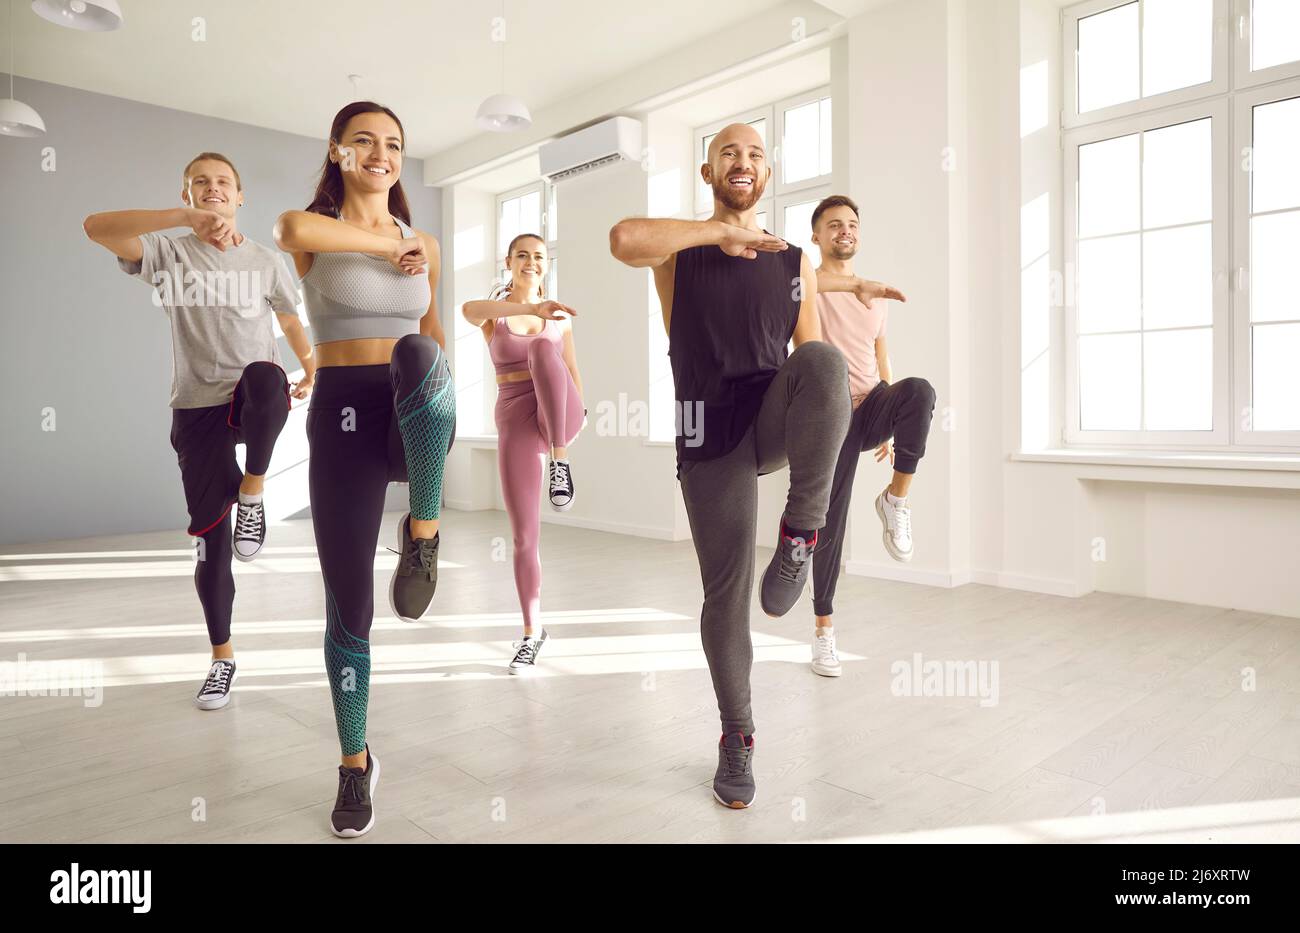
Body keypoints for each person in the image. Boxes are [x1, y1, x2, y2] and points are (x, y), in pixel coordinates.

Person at [609, 123, 851, 808]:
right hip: (705, 427)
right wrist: (716, 234)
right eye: (729, 154)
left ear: (767, 174)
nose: (742, 163)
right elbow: (622, 239)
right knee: (726, 590)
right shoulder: (680, 250)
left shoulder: (790, 258)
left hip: (769, 413)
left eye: (754, 155)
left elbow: (815, 367)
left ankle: (802, 533)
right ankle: (737, 735)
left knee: (827, 358)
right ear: (708, 170)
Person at [274, 101, 455, 838]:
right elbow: (290, 230)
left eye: (394, 144)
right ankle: (355, 762)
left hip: (411, 406)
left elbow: (434, 335)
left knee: (418, 352)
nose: (381, 154)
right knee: (348, 606)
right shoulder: (313, 231)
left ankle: (424, 533)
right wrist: (383, 253)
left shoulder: (427, 243)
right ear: (339, 152)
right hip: (343, 417)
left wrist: (445, 408)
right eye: (364, 142)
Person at [84, 151, 312, 711]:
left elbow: (286, 317)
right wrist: (180, 219)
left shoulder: (263, 259)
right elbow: (95, 228)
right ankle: (222, 658)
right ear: (187, 195)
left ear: (240, 197)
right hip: (195, 407)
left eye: (223, 182)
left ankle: (253, 489)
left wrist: (312, 363)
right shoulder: (166, 249)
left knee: (265, 375)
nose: (212, 189)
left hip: (252, 395)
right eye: (199, 184)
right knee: (212, 546)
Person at [807, 195, 934, 678]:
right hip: (828, 414)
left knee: (919, 391)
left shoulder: (876, 296)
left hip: (870, 403)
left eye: (853, 224)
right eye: (834, 224)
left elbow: (881, 355)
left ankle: (894, 501)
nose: (846, 230)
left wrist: (892, 414)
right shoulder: (811, 285)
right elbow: (799, 287)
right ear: (816, 236)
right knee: (828, 519)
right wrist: (858, 283)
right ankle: (824, 631)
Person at [462, 234, 584, 674]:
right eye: (523, 256)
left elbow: (571, 371)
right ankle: (533, 633)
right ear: (509, 262)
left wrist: (577, 415)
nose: (531, 262)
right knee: (523, 538)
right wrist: (529, 310)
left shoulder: (559, 318)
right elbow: (469, 311)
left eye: (538, 256)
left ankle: (561, 463)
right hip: (515, 414)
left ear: (545, 265)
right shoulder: (495, 314)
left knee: (541, 348)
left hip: (560, 419)